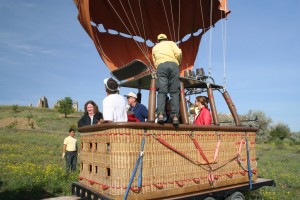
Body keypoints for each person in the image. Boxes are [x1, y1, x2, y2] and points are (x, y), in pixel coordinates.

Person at [152, 33, 182, 126]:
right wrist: (178, 63)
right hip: (173, 65)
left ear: (158, 40)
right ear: (166, 38)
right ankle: (175, 116)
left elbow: (154, 60)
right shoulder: (171, 43)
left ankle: (160, 114)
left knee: (162, 92)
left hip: (161, 66)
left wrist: (159, 67)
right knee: (174, 92)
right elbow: (179, 53)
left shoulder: (155, 48)